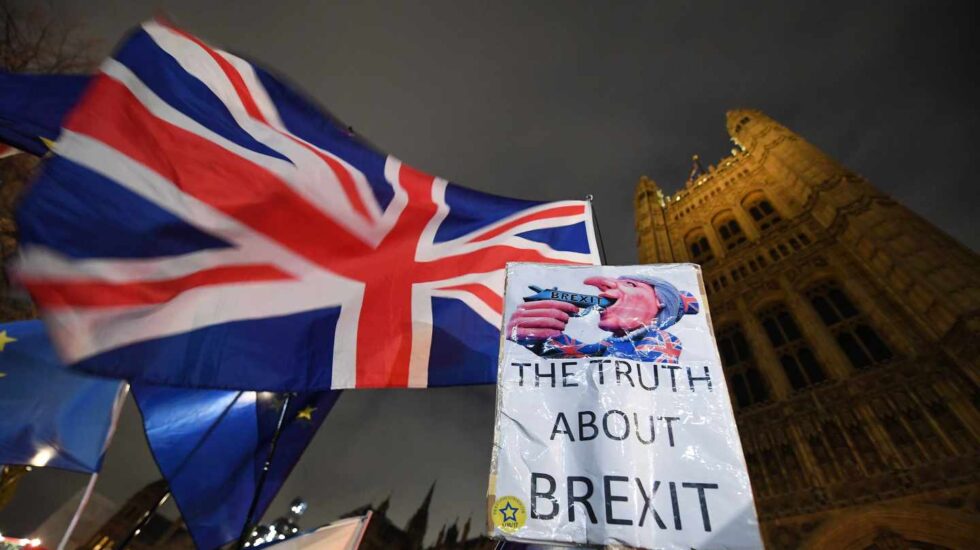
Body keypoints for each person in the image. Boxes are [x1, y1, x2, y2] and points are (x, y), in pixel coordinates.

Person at [506, 275, 698, 363]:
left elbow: (640, 376)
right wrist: (536, 336)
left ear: (659, 301)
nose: (604, 289)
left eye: (630, 284)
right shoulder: (608, 344)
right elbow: (572, 355)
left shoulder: (662, 341)